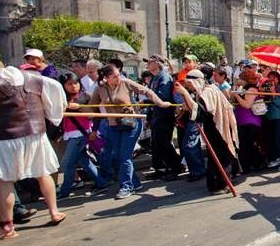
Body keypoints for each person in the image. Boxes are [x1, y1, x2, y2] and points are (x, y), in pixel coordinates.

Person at [0, 40, 67, 240]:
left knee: (4, 181)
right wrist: (53, 115)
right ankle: (54, 212)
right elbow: (55, 93)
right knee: (43, 172)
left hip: (8, 137)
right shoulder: (33, 77)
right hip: (36, 134)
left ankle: (8, 227)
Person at [89, 64, 172, 199]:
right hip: (114, 126)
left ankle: (126, 186)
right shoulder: (100, 89)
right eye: (115, 76)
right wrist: (76, 107)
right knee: (118, 156)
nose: (118, 78)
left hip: (131, 123)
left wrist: (160, 103)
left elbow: (146, 91)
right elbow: (92, 107)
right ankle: (135, 182)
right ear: (106, 78)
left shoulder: (125, 83)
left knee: (125, 157)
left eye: (118, 74)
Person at [175, 69, 239, 194]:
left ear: (197, 81)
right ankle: (220, 183)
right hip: (214, 127)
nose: (190, 88)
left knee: (220, 156)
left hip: (218, 127)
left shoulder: (208, 91)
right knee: (217, 156)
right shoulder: (204, 91)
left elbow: (200, 113)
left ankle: (221, 184)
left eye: (191, 84)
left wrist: (185, 94)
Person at [56, 72, 100, 199]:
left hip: (81, 133)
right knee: (84, 161)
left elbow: (95, 113)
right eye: (69, 84)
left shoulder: (85, 95)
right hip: (70, 133)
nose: (73, 86)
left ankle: (65, 191)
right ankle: (101, 183)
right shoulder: (62, 98)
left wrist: (79, 107)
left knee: (67, 163)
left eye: (75, 83)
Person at [144, 55, 185, 181]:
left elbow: (164, 96)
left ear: (157, 63)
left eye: (150, 62)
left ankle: (176, 166)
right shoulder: (154, 78)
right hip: (156, 116)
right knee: (156, 144)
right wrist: (148, 118)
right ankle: (160, 168)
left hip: (164, 115)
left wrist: (147, 98)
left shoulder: (164, 77)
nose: (148, 64)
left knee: (164, 143)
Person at [231, 69, 266, 173]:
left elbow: (247, 105)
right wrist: (235, 92)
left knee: (246, 145)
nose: (239, 80)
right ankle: (254, 163)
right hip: (242, 120)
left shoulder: (251, 89)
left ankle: (250, 165)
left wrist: (237, 95)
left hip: (250, 121)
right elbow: (234, 101)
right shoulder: (243, 88)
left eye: (240, 78)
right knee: (247, 144)